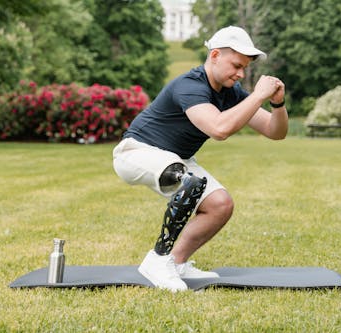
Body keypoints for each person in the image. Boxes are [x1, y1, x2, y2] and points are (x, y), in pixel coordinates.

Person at [113, 26, 288, 291]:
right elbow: (219, 129)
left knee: (220, 205)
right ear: (215, 55)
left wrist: (277, 104)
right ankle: (157, 260)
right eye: (236, 65)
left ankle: (177, 262)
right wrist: (258, 95)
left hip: (176, 159)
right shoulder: (190, 85)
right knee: (189, 182)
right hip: (136, 153)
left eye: (245, 68)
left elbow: (275, 132)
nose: (241, 74)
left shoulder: (230, 93)